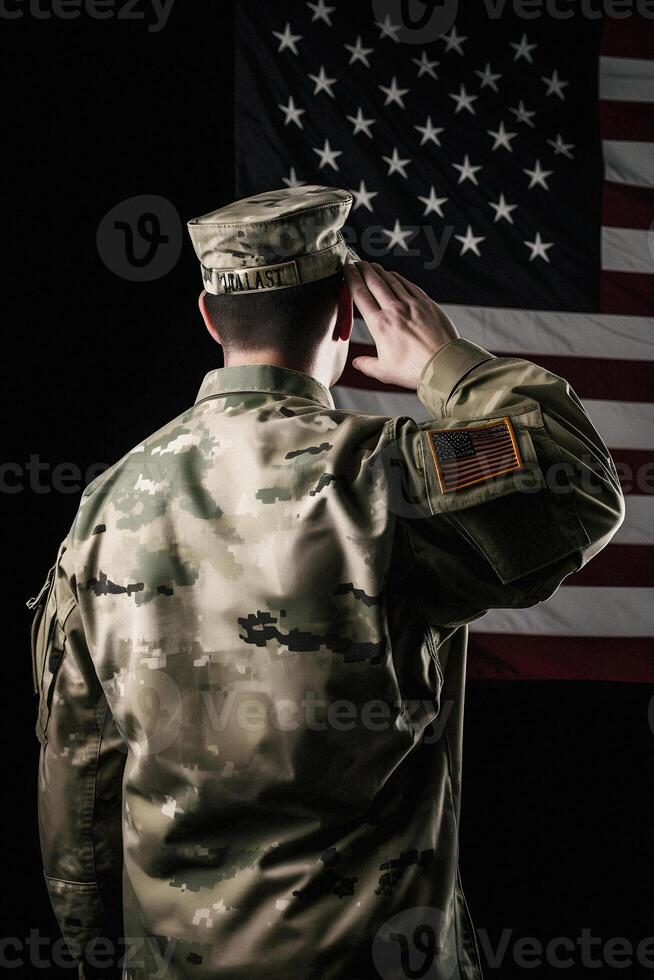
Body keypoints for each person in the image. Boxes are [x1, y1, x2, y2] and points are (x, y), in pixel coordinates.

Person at [31, 185, 624, 980]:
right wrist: (447, 364)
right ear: (346, 317)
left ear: (210, 319)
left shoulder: (101, 508)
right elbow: (579, 484)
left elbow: (81, 779)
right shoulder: (386, 477)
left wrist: (104, 951)